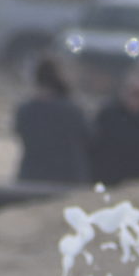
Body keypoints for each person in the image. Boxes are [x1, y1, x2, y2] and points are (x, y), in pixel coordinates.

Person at [12, 57, 92, 186]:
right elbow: (88, 138)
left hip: (32, 177)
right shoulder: (73, 110)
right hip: (68, 179)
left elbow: (19, 132)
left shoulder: (25, 110)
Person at [89, 71, 139, 187]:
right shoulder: (108, 115)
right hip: (108, 181)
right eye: (134, 94)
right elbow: (94, 145)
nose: (136, 99)